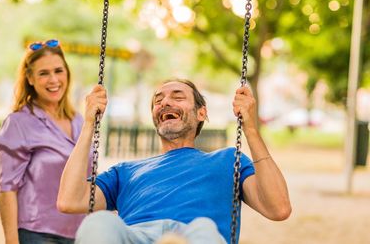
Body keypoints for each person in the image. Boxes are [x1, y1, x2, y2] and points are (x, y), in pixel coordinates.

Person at [57, 79, 292, 244]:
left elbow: (278, 208)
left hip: (196, 237)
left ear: (201, 113)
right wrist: (89, 124)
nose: (165, 102)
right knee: (98, 223)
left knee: (204, 227)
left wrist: (249, 128)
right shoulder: (126, 172)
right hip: (138, 236)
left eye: (177, 97)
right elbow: (69, 200)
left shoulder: (228, 160)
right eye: (158, 100)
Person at [0, 39, 88, 244]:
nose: (53, 80)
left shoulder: (79, 121)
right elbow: (7, 189)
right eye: (43, 73)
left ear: (67, 73)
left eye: (58, 71)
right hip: (37, 234)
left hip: (81, 234)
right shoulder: (18, 123)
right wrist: (11, 241)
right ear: (30, 78)